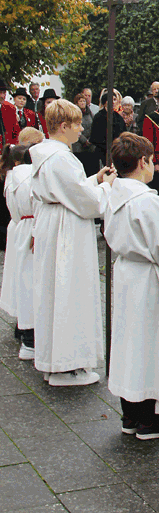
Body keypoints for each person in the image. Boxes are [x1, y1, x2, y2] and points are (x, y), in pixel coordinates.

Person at [104, 133, 159, 439]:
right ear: (143, 162)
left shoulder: (114, 195)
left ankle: (130, 414)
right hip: (148, 279)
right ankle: (150, 419)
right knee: (150, 345)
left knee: (127, 345)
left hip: (125, 273)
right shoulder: (152, 204)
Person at [30, 99, 115, 385]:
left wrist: (93, 180)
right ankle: (67, 363)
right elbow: (86, 202)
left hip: (53, 223)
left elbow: (70, 190)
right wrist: (105, 187)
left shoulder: (48, 155)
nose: (81, 129)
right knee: (68, 290)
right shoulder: (61, 158)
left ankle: (56, 359)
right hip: (66, 230)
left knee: (54, 290)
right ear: (64, 126)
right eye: (77, 124)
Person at [1, 142, 39, 359]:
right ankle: (30, 340)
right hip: (31, 228)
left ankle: (22, 329)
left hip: (17, 227)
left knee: (20, 280)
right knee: (30, 282)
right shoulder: (30, 178)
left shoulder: (12, 177)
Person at [89, 89, 126, 165]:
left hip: (117, 152)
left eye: (115, 100)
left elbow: (124, 133)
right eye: (110, 100)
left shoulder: (119, 117)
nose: (113, 102)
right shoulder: (98, 117)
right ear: (105, 102)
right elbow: (95, 137)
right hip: (103, 153)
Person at [72, 93, 99, 176]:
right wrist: (84, 140)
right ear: (76, 103)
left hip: (90, 147)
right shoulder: (74, 114)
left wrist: (91, 139)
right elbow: (74, 128)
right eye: (80, 101)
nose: (83, 103)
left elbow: (94, 126)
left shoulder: (90, 113)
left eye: (84, 101)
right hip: (79, 146)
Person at [0, 82, 20, 147]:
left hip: (7, 150)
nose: (2, 96)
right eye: (0, 93)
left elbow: (16, 131)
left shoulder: (10, 108)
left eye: (4, 93)